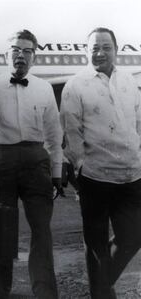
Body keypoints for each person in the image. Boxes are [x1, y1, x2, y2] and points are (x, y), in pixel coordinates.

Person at [60, 27, 141, 299]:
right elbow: (72, 134)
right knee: (95, 246)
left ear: (115, 50)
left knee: (133, 237)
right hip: (95, 177)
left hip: (132, 175)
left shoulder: (129, 81)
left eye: (106, 47)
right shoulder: (75, 86)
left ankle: (102, 287)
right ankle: (102, 293)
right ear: (86, 51)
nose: (100, 52)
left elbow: (139, 123)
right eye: (94, 47)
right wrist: (82, 171)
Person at [0, 30, 63, 299]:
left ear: (34, 56)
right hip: (1, 163)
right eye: (16, 50)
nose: (21, 55)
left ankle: (45, 293)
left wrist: (56, 172)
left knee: (42, 231)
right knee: (1, 234)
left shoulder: (43, 88)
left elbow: (54, 133)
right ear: (5, 55)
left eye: (27, 51)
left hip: (36, 164)